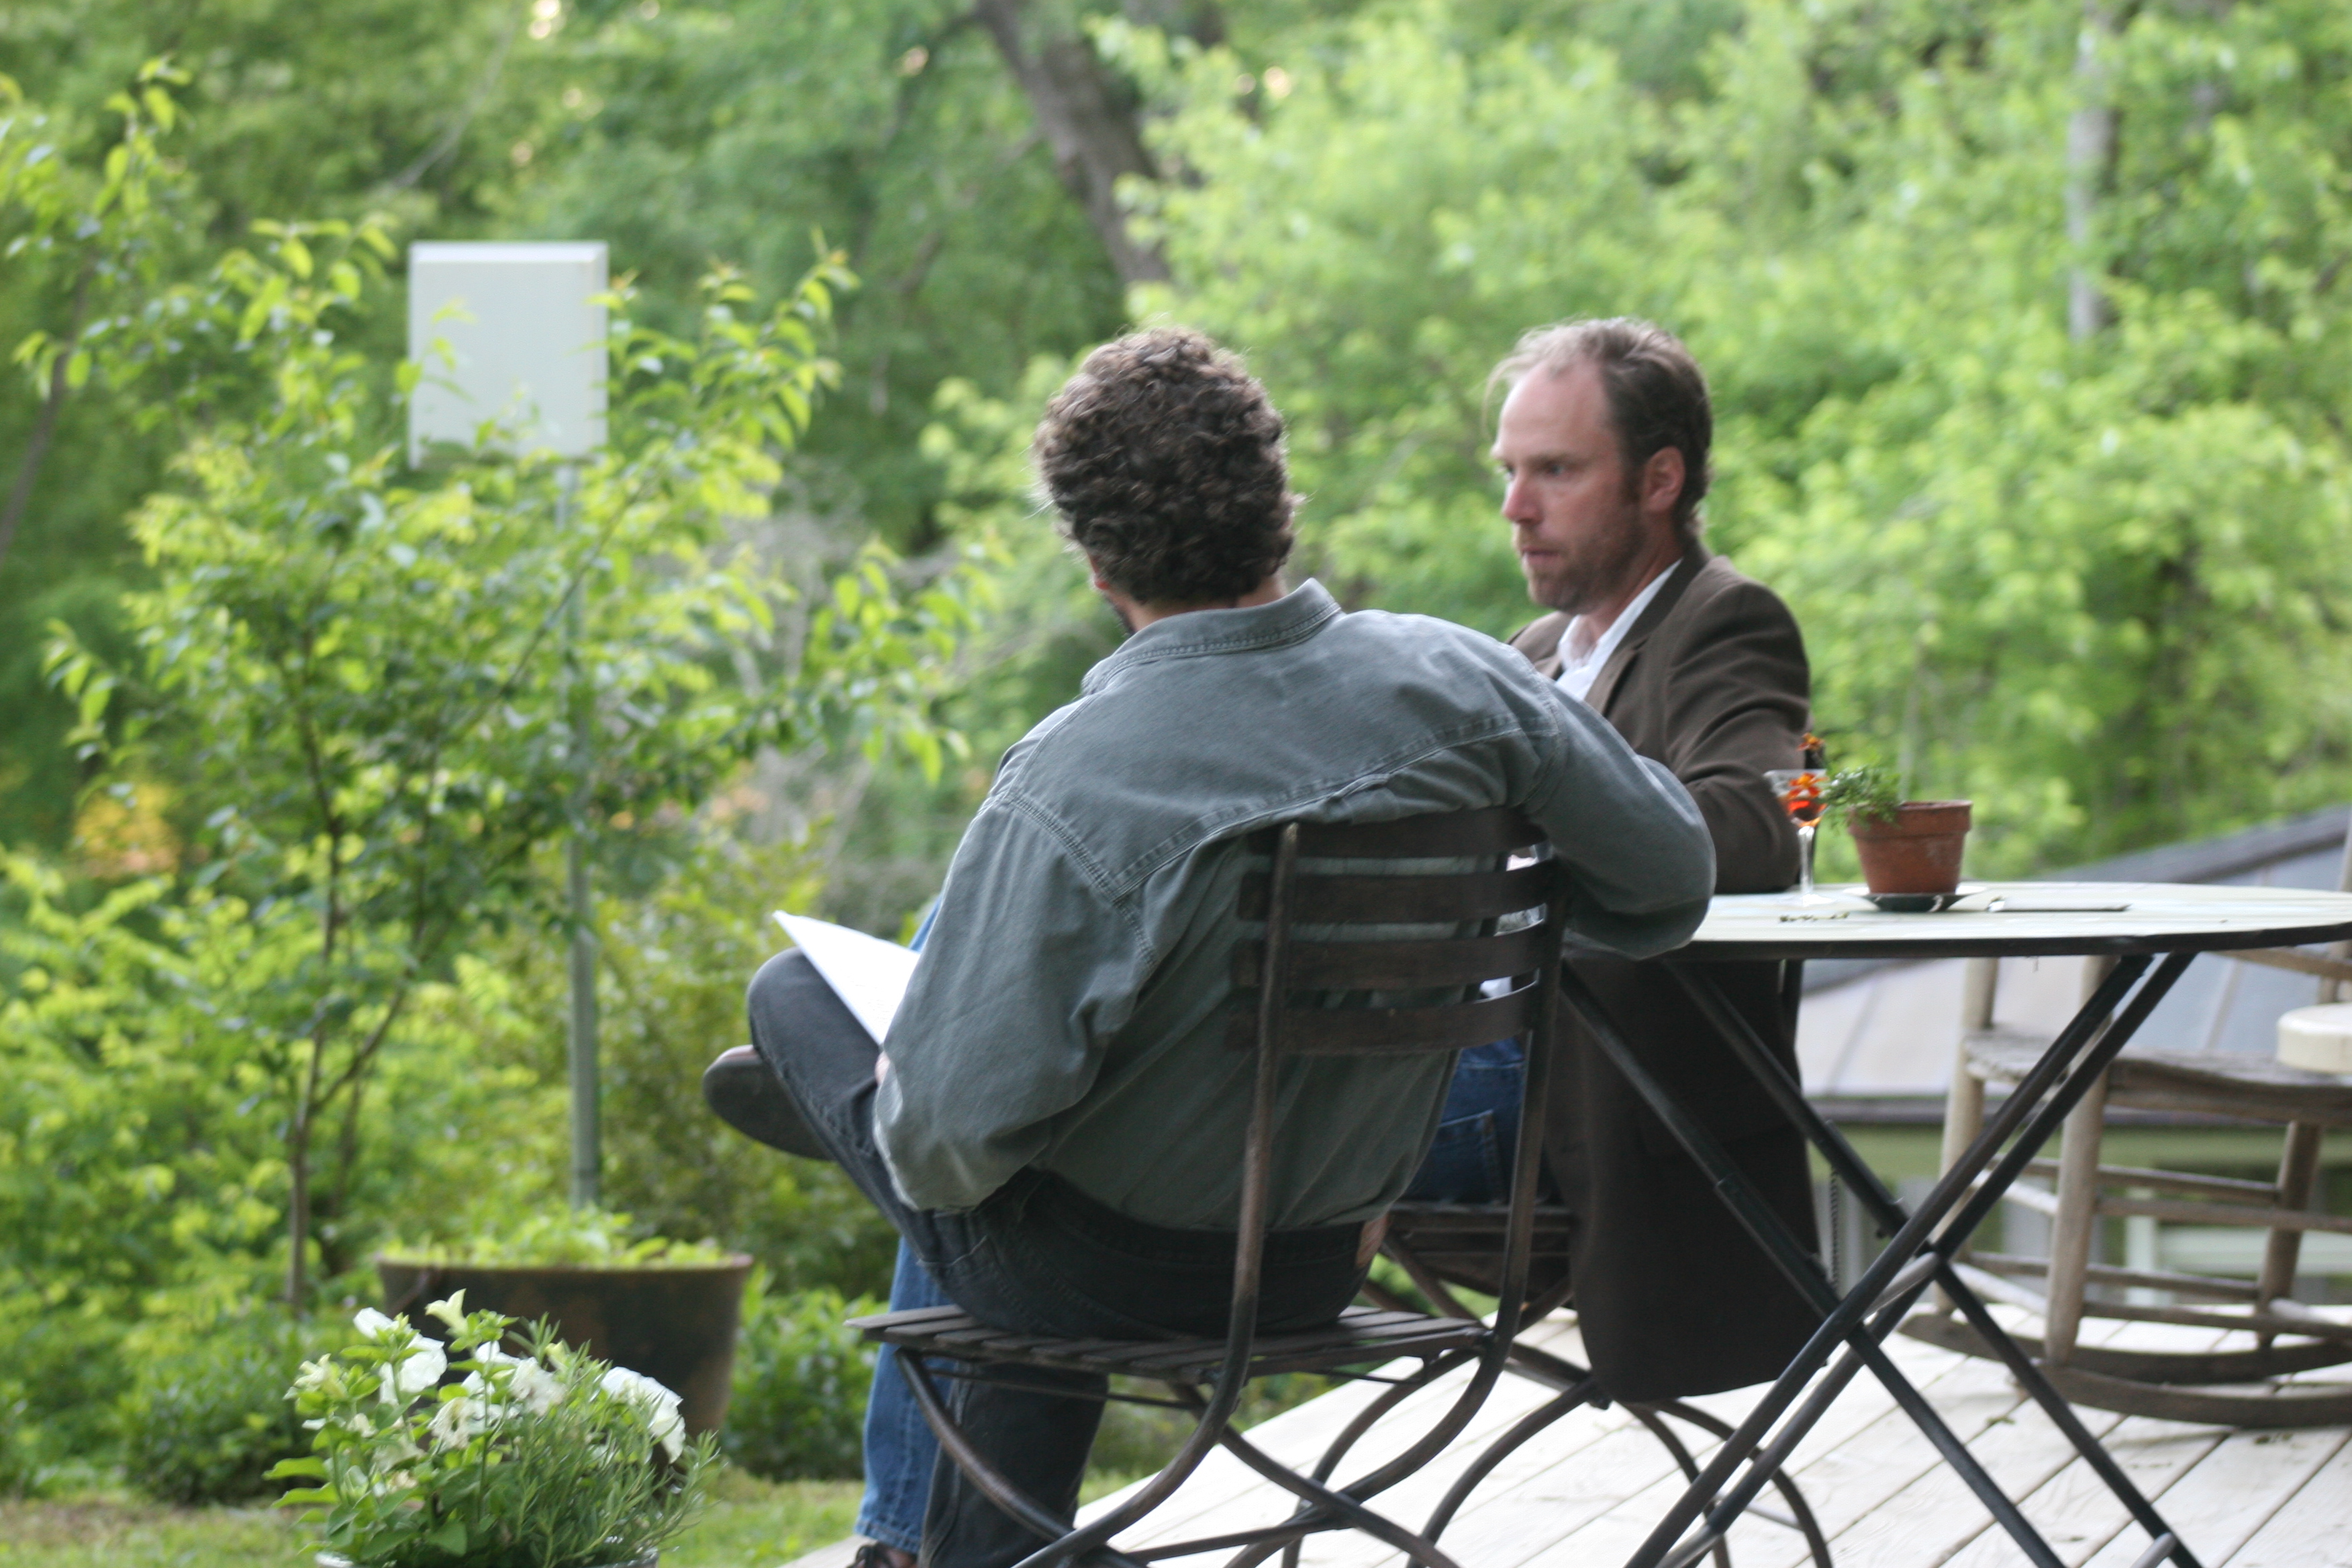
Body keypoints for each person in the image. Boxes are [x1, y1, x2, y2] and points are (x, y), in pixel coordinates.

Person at [726, 326, 1717, 1568]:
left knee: (806, 1006)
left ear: (1096, 560)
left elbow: (943, 1154)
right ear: (1276, 506)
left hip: (1107, 1275)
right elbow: (1671, 882)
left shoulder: (1076, 776)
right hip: (1324, 1255)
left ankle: (988, 1540)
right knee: (1022, 1108)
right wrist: (1530, 901)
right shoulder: (1468, 685)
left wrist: (912, 1095)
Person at [1408, 316, 1823, 1403]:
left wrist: (1533, 832)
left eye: (1555, 470)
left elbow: (1758, 826)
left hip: (1573, 1111)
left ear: (1660, 480)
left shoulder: (1723, 622)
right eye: (1509, 472)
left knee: (1200, 1120)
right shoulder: (1537, 656)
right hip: (1465, 1065)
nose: (1516, 507)